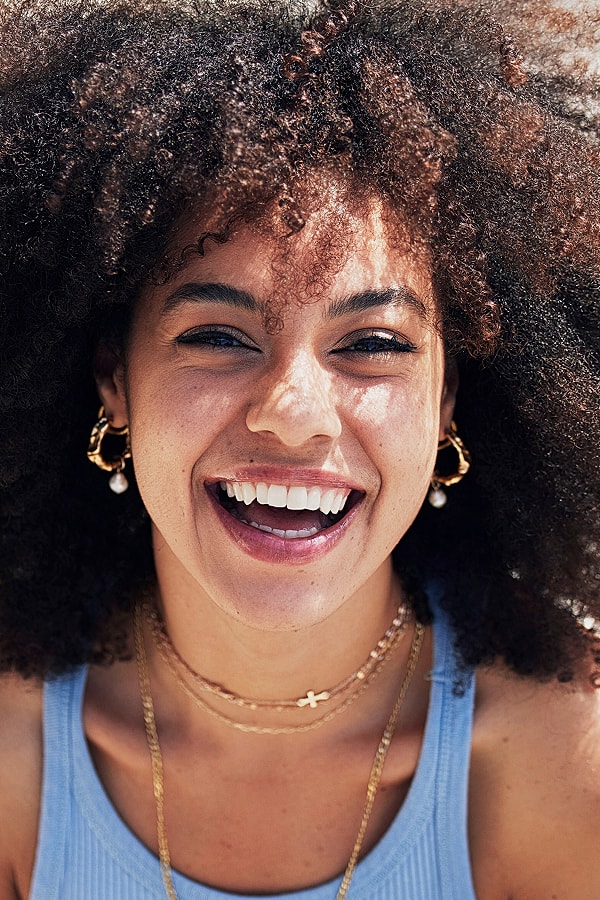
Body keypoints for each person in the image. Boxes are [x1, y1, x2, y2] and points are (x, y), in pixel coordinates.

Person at [0, 0, 599, 897]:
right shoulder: (15, 760)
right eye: (219, 335)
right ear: (111, 380)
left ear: (448, 403)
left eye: (373, 344)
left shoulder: (561, 764)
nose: (293, 412)